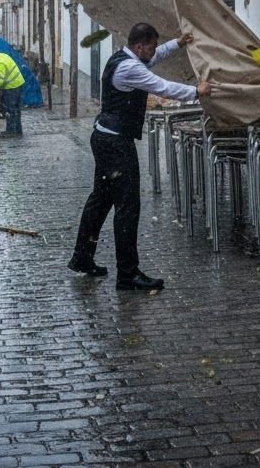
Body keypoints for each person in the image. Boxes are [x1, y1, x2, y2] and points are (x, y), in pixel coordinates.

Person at [69, 23, 211, 291]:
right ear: (139, 46)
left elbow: (155, 58)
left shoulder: (125, 57)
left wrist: (177, 43)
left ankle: (82, 258)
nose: (154, 51)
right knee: (127, 207)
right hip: (115, 143)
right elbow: (162, 87)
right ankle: (127, 274)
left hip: (104, 137)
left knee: (99, 201)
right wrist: (196, 92)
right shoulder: (130, 68)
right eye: (151, 46)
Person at [0, 46, 26, 136]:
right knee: (16, 110)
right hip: (19, 83)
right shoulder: (3, 55)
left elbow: (0, 81)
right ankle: (18, 130)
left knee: (10, 110)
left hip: (11, 87)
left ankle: (11, 131)